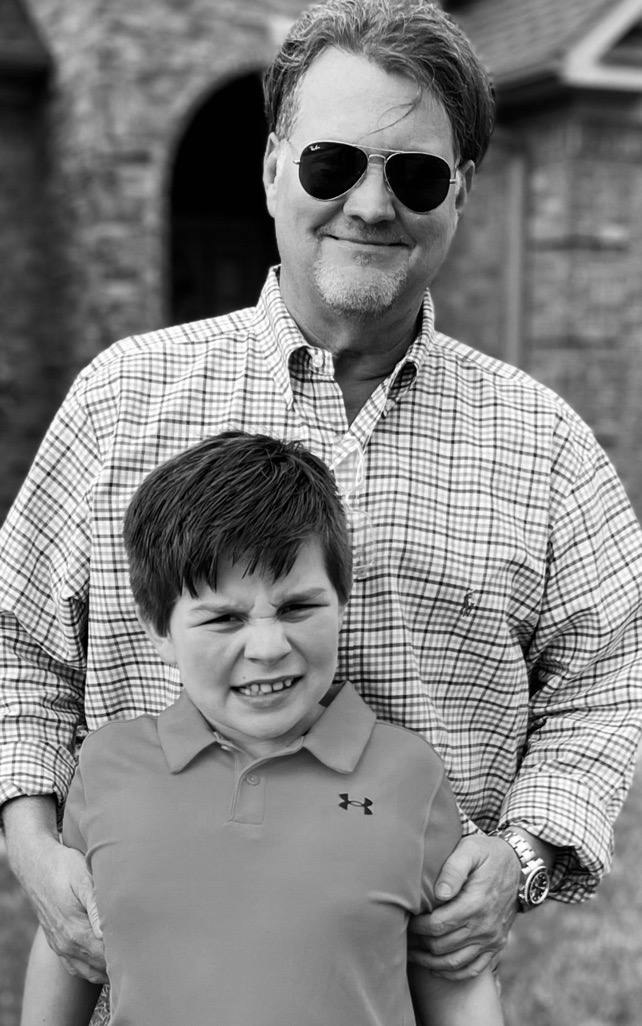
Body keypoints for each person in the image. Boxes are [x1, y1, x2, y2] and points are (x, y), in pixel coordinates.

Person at [2, 0, 642, 1001]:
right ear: (272, 170)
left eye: (415, 175)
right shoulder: (120, 400)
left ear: (462, 191)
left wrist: (520, 854)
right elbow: (19, 647)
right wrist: (36, 846)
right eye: (332, 164)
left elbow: (607, 680)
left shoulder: (547, 447)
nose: (372, 205)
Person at [20, 431, 505, 1026]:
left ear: (343, 601)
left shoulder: (409, 775)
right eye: (225, 618)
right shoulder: (106, 766)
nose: (269, 647)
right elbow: (67, 942)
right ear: (159, 629)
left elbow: (455, 982)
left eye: (297, 607)